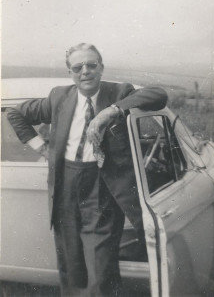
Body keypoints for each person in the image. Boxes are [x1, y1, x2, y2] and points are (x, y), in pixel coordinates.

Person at [7, 43, 167, 297]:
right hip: (65, 185)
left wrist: (112, 111)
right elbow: (16, 114)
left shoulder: (118, 92)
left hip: (100, 185)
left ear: (101, 68)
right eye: (78, 67)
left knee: (101, 265)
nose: (85, 72)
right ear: (70, 72)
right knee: (70, 264)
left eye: (91, 65)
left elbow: (158, 95)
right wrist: (41, 148)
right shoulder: (59, 96)